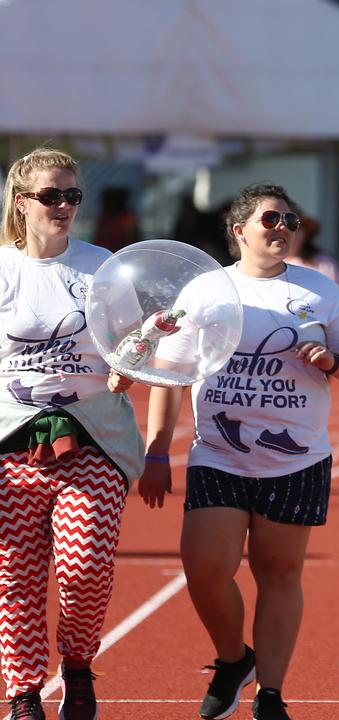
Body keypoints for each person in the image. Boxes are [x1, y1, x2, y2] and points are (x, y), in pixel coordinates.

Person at [138, 183, 339, 720]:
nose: (282, 229)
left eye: (291, 221)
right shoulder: (206, 291)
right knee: (204, 567)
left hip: (296, 457)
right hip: (218, 453)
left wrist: (335, 363)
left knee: (279, 574)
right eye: (270, 219)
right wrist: (156, 453)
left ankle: (270, 693)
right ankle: (233, 659)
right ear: (239, 230)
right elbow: (169, 375)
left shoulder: (319, 291)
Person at [0, 148, 144, 720]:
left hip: (93, 435)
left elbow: (136, 344)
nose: (64, 206)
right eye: (50, 196)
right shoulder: (3, 269)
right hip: (11, 439)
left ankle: (79, 665)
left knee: (84, 566)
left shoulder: (104, 266)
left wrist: (128, 363)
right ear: (22, 202)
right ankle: (23, 692)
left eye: (73, 196)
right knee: (14, 572)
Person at [285, 214, 339, 297]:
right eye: (288, 229)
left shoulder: (321, 261)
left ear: (305, 234)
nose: (293, 236)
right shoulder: (273, 263)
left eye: (297, 230)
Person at [90, 186, 140, 253]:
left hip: (122, 255)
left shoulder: (127, 219)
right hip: (105, 256)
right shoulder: (104, 219)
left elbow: (130, 241)